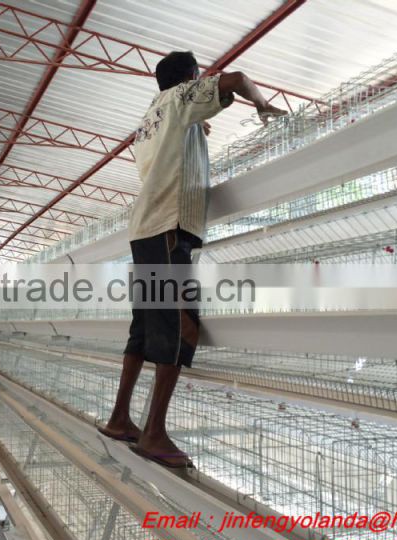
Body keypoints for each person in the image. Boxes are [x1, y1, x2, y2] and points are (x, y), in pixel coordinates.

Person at [98, 51, 286, 468]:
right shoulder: (182, 97)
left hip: (146, 229)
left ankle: (119, 418)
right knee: (181, 324)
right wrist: (262, 103)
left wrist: (197, 126)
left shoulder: (151, 117)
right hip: (168, 226)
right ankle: (154, 432)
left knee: (145, 327)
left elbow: (171, 147)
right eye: (199, 77)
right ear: (190, 78)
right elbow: (236, 79)